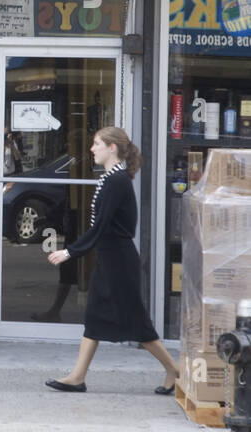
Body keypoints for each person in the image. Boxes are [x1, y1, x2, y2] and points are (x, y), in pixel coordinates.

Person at [45, 126, 181, 394]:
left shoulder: (116, 180)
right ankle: (77, 376)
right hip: (111, 258)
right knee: (94, 316)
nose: (91, 149)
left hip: (118, 260)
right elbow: (102, 227)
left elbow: (102, 226)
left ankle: (174, 370)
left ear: (112, 148)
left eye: (96, 144)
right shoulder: (112, 178)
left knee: (136, 320)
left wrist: (69, 251)